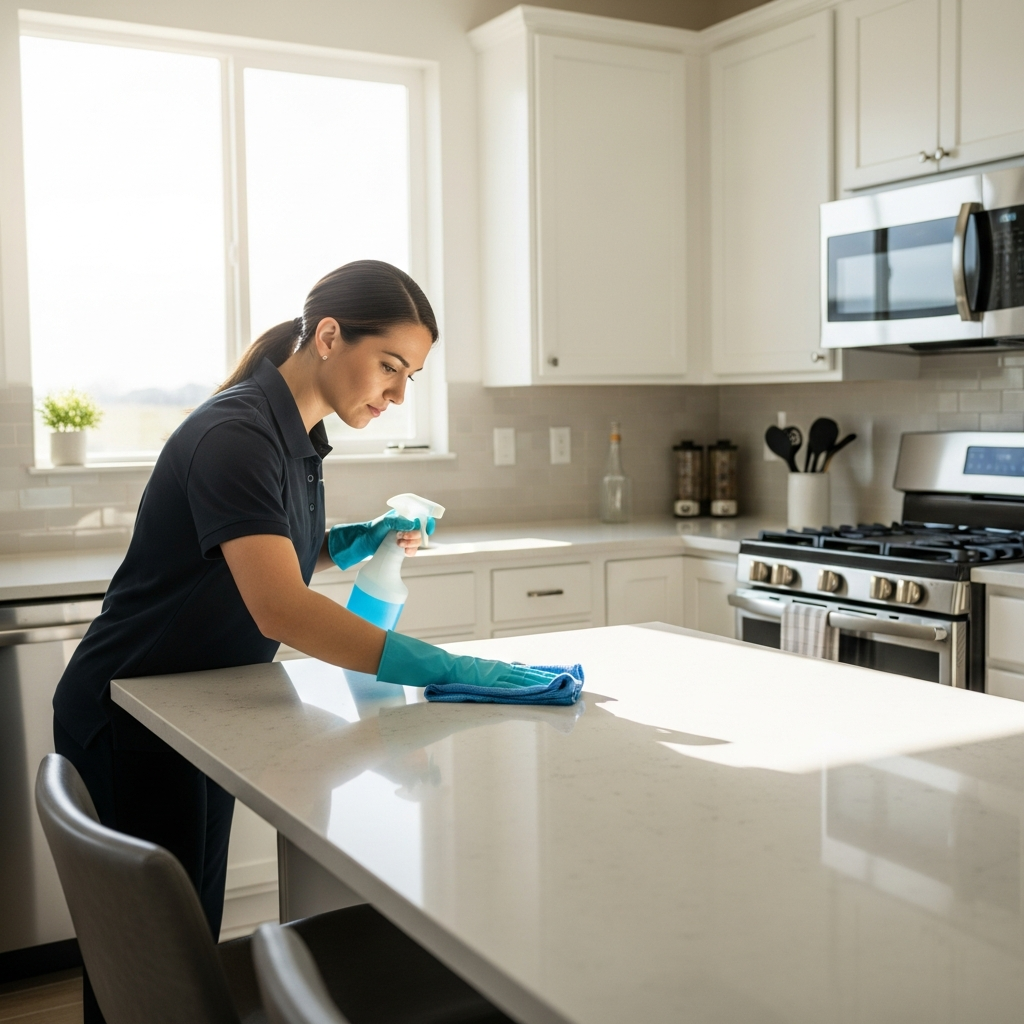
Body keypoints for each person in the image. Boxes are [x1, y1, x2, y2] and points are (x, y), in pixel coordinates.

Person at [51, 260, 543, 1024]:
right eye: (389, 366)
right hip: (132, 712)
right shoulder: (237, 433)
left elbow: (265, 547)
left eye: (410, 375)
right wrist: (441, 664)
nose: (397, 393)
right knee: (147, 977)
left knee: (173, 955)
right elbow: (278, 606)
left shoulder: (295, 433)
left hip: (194, 705)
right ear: (328, 335)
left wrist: (353, 540)